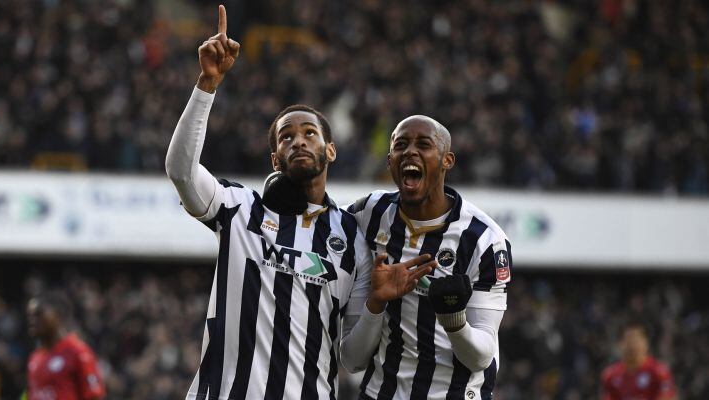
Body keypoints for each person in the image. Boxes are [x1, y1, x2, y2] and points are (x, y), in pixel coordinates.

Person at [165, 6, 434, 400]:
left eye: (309, 133)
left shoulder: (352, 239)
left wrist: (376, 304)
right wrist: (207, 84)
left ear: (331, 150)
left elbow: (354, 358)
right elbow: (181, 171)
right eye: (286, 137)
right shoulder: (241, 209)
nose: (298, 141)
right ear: (275, 159)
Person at [340, 116, 512, 399]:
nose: (410, 151)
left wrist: (454, 321)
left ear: (447, 160)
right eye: (401, 145)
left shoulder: (484, 240)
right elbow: (352, 361)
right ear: (389, 160)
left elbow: (482, 358)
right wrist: (377, 301)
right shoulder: (369, 213)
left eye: (424, 144)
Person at [26, 294, 105, 400]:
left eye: (38, 314)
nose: (32, 321)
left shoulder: (77, 352)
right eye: (30, 316)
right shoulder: (35, 359)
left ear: (58, 316)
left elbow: (94, 397)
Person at [601, 322, 677, 400]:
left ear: (646, 343)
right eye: (628, 340)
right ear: (619, 344)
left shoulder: (659, 372)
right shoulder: (611, 376)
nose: (632, 345)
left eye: (636, 340)